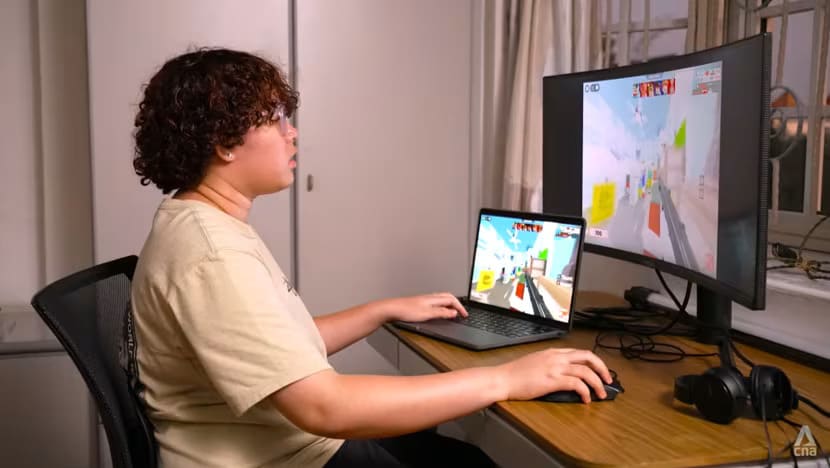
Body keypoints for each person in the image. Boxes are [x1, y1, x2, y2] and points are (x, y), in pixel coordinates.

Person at [129, 47, 613, 468]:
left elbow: (281, 350)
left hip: (291, 447)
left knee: (465, 456)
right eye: (275, 120)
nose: (292, 134)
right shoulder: (212, 256)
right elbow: (324, 407)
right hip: (288, 457)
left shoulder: (206, 225)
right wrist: (506, 378)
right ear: (223, 143)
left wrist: (382, 310)